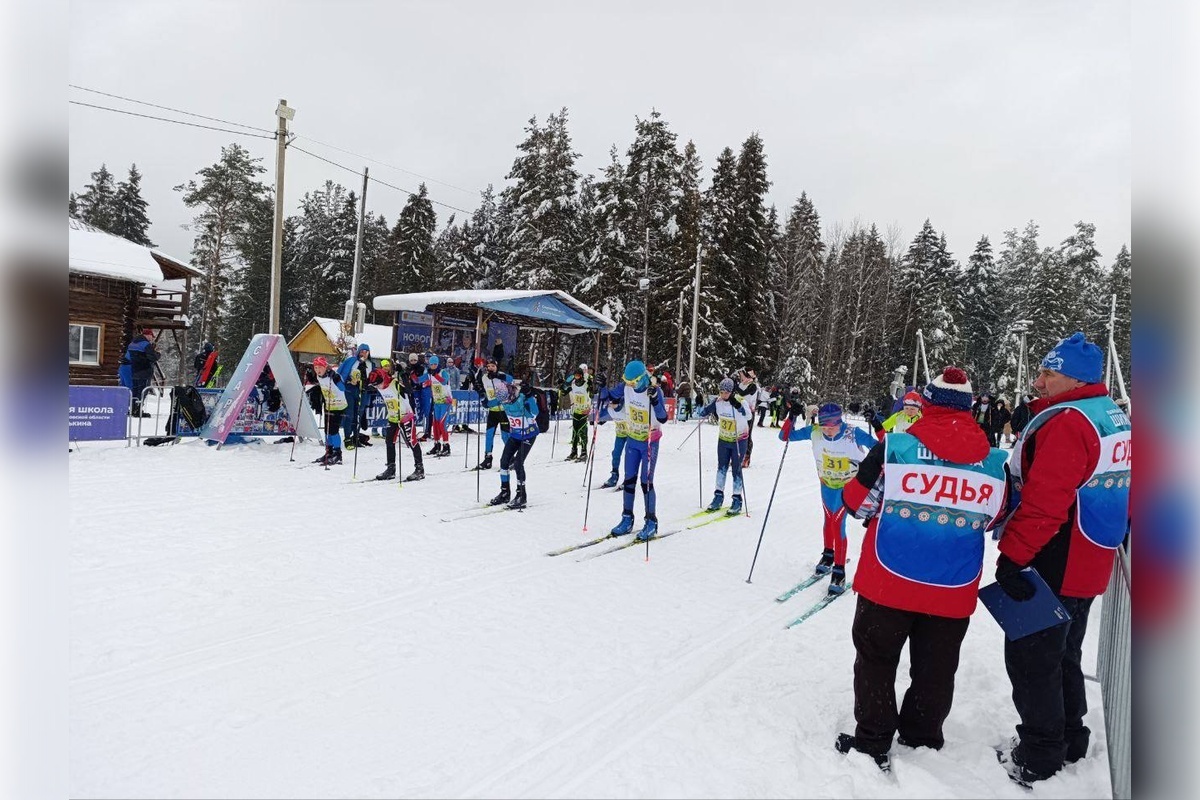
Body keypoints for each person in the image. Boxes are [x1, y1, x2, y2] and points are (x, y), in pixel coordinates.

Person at [835, 365, 1008, 772]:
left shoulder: (895, 447)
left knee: (877, 659)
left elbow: (857, 502)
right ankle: (922, 735)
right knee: (936, 667)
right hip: (952, 585)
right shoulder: (996, 462)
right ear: (970, 408)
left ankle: (874, 739)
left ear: (926, 403)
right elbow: (998, 516)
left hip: (888, 580)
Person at [992, 332, 1131, 787]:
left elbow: (1046, 500)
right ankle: (1071, 736)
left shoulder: (1070, 422)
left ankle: (1039, 754)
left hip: (1057, 553)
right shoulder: (1111, 417)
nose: (1039, 380)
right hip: (1092, 553)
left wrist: (1012, 556)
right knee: (1064, 652)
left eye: (1048, 373)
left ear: (1074, 378)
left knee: (1033, 658)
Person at [779, 400, 878, 593]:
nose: (828, 431)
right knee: (828, 519)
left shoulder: (852, 433)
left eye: (832, 427)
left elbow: (879, 448)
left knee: (837, 522)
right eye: (824, 427)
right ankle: (828, 554)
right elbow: (784, 436)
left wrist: (877, 424)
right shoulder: (814, 432)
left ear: (840, 423)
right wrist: (791, 417)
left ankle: (839, 572)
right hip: (826, 484)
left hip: (848, 487)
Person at [607, 360, 670, 541]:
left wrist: (656, 399)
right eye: (628, 382)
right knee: (629, 480)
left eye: (634, 382)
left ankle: (651, 521)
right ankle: (627, 518)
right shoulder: (626, 386)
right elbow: (610, 396)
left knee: (646, 482)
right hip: (632, 440)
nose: (630, 385)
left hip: (650, 441)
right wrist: (602, 386)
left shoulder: (653, 389)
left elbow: (663, 418)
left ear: (642, 378)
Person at [697, 377, 751, 515]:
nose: (723, 395)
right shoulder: (718, 402)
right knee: (721, 468)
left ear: (732, 392)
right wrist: (699, 405)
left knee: (736, 469)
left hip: (739, 440)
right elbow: (702, 412)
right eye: (721, 392)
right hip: (724, 440)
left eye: (726, 392)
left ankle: (737, 500)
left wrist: (738, 407)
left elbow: (749, 416)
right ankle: (718, 497)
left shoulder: (740, 400)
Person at [489, 373, 540, 509]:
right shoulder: (503, 398)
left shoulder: (521, 399)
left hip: (528, 434)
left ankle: (521, 495)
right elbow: (488, 403)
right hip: (516, 434)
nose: (504, 403)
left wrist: (529, 396)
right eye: (502, 401)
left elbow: (535, 413)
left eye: (505, 400)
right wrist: (481, 393)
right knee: (504, 461)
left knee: (518, 463)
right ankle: (505, 492)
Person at [367, 368, 425, 482]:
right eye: (375, 385)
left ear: (383, 378)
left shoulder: (394, 383)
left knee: (412, 441)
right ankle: (391, 468)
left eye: (378, 384)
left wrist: (404, 376)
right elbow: (366, 386)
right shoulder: (377, 383)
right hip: (393, 417)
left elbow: (409, 391)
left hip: (405, 416)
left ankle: (419, 469)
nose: (377, 387)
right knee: (389, 441)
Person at [305, 356, 347, 466]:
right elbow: (314, 380)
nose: (317, 370)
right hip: (328, 405)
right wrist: (309, 375)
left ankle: (338, 454)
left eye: (320, 367)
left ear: (325, 367)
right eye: (315, 367)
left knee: (333, 430)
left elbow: (343, 388)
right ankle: (329, 452)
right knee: (327, 431)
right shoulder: (319, 376)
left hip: (339, 406)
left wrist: (336, 379)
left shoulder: (334, 376)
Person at [473, 357, 512, 470]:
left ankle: (511, 458)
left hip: (503, 411)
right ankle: (488, 458)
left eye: (493, 366)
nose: (490, 368)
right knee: (489, 435)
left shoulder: (501, 377)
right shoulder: (485, 377)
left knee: (505, 436)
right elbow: (482, 390)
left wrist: (499, 376)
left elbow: (509, 383)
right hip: (493, 412)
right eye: (488, 366)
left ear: (496, 367)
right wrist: (483, 399)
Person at [338, 344, 375, 448]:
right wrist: (349, 381)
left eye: (366, 351)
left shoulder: (370, 364)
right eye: (362, 351)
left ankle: (356, 436)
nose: (364, 353)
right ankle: (347, 438)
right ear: (358, 352)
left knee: (358, 414)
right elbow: (341, 373)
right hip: (350, 390)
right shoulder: (352, 361)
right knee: (349, 414)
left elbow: (373, 378)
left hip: (363, 392)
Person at [597, 373, 628, 489]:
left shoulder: (626, 407)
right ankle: (614, 475)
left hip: (632, 434)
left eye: (613, 403)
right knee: (616, 454)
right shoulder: (610, 408)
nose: (610, 404)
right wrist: (598, 419)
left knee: (629, 456)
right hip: (620, 434)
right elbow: (601, 414)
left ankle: (628, 478)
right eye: (610, 403)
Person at [426, 355, 457, 457]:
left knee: (442, 424)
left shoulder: (443, 372)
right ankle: (437, 445)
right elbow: (418, 380)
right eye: (432, 364)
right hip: (437, 402)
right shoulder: (430, 373)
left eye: (435, 364)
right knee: (435, 425)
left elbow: (444, 381)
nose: (433, 366)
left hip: (446, 402)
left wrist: (436, 375)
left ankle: (446, 446)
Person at [123, 328, 159, 416]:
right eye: (151, 336)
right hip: (144, 370)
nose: (152, 339)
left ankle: (132, 409)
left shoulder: (132, 344)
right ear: (147, 335)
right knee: (142, 391)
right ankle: (138, 410)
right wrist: (158, 354)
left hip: (134, 370)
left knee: (135, 390)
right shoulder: (146, 345)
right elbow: (152, 357)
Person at [562, 365, 594, 462]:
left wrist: (591, 385)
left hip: (584, 411)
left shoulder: (586, 384)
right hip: (576, 410)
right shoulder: (573, 384)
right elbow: (564, 391)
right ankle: (574, 451)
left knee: (582, 432)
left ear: (581, 376)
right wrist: (561, 385)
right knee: (575, 432)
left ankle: (584, 452)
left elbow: (592, 393)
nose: (576, 377)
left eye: (578, 376)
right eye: (575, 375)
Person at [734, 368, 759, 466]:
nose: (740, 377)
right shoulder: (741, 385)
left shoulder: (753, 386)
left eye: (742, 375)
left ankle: (746, 457)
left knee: (747, 435)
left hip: (749, 413)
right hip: (739, 412)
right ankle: (738, 456)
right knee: (738, 434)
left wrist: (735, 387)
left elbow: (742, 393)